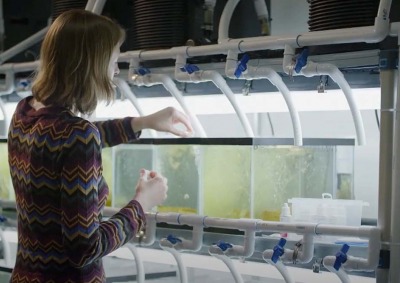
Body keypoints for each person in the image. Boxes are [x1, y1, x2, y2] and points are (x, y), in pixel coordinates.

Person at [7, 9, 193, 283]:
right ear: (91, 64)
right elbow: (85, 249)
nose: (116, 70)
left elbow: (67, 143)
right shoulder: (77, 134)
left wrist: (143, 122)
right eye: (113, 60)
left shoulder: (24, 112)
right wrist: (142, 204)